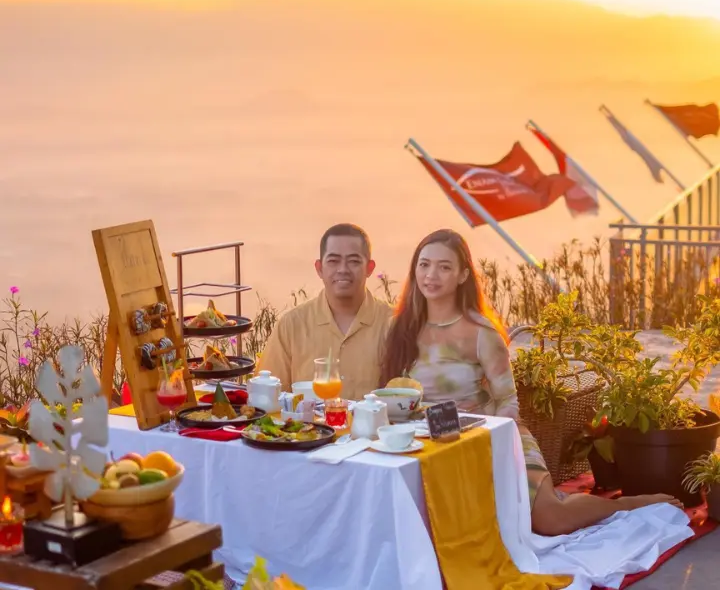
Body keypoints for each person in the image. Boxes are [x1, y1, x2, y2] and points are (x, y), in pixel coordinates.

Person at [380, 228, 682, 536]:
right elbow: (391, 392)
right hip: (426, 441)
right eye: (424, 264)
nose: (431, 274)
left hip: (489, 435)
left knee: (551, 520)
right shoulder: (399, 327)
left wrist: (489, 445)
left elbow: (507, 402)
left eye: (444, 267)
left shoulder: (480, 331)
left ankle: (627, 505)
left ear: (461, 276)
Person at [257, 223, 393, 399]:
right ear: (319, 269)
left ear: (369, 268)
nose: (343, 269)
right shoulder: (292, 325)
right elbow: (267, 395)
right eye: (333, 261)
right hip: (308, 426)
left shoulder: (393, 323)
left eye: (354, 261)